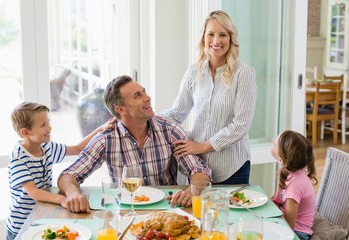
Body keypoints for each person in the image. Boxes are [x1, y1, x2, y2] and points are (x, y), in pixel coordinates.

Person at [58, 75, 212, 213]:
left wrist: (192, 190)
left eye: (144, 91)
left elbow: (199, 169)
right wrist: (73, 193)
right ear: (120, 109)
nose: (147, 98)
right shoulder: (106, 139)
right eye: (138, 96)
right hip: (124, 212)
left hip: (166, 211)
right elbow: (68, 175)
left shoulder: (170, 130)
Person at [160, 10, 256, 184]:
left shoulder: (244, 73)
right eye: (211, 34)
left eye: (223, 35)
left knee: (230, 212)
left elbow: (241, 125)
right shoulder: (193, 72)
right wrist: (144, 118)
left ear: (231, 39)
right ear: (203, 37)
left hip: (232, 167)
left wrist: (202, 146)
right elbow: (177, 113)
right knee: (197, 211)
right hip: (198, 165)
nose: (216, 41)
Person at [6, 102, 110, 240]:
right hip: (22, 225)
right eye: (43, 125)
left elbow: (78, 148)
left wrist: (101, 128)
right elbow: (34, 192)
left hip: (41, 215)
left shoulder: (47, 147)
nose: (49, 127)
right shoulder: (18, 159)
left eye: (48, 122)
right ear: (25, 132)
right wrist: (62, 199)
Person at [271, 130, 317, 240]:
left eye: (275, 144)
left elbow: (288, 227)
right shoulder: (288, 173)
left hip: (298, 233)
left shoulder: (295, 186)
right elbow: (276, 201)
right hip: (284, 222)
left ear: (281, 160)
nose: (272, 140)